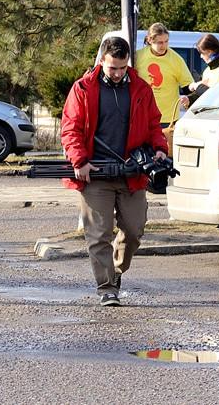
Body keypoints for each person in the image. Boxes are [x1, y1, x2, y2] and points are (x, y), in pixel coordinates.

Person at [61, 36, 168, 307]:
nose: (118, 74)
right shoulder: (83, 88)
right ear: (101, 61)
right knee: (99, 234)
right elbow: (70, 129)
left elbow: (154, 124)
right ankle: (106, 287)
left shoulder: (141, 88)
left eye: (122, 68)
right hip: (94, 174)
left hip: (132, 173)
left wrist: (159, 148)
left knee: (134, 231)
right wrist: (79, 161)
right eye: (112, 68)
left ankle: (117, 269)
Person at [134, 23, 193, 124]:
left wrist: (190, 98)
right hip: (142, 117)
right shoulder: (138, 56)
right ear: (149, 40)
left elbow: (188, 86)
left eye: (166, 41)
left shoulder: (176, 59)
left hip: (166, 119)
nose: (164, 46)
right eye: (159, 42)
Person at [186, 33, 219, 104]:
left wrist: (197, 86)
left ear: (209, 51)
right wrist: (189, 99)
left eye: (202, 53)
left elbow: (218, 96)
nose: (201, 56)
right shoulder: (207, 70)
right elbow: (201, 95)